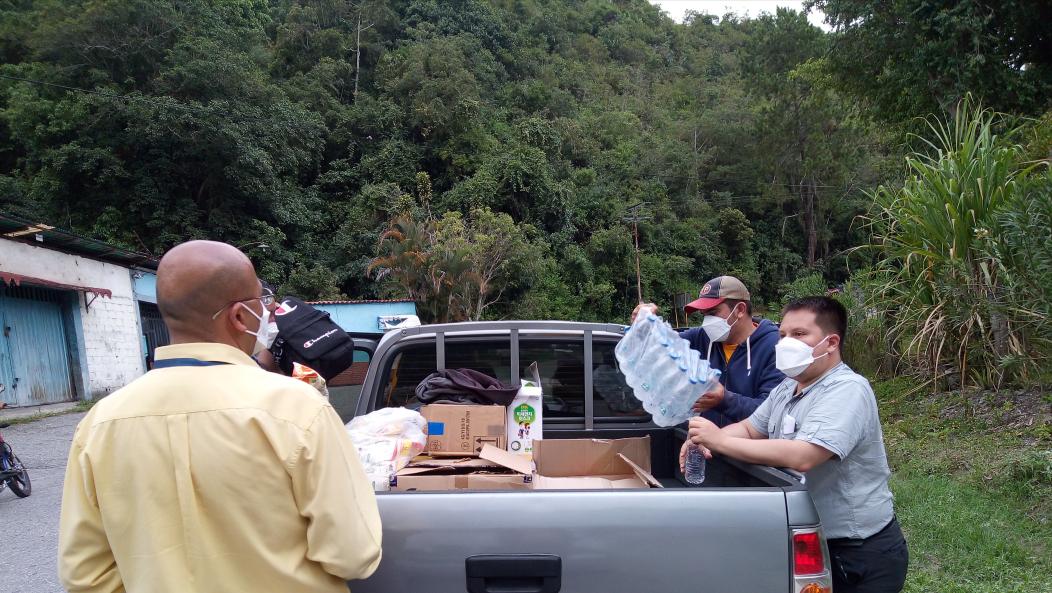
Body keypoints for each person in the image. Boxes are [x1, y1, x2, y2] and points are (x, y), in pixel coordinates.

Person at [58, 240, 382, 593]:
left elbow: (85, 575)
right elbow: (353, 553)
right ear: (239, 316)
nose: (268, 312)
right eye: (263, 301)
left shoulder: (100, 423)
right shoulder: (297, 409)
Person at [683, 296, 908, 593]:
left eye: (800, 334)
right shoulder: (788, 386)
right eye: (783, 335)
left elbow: (804, 455)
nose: (787, 343)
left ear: (831, 343)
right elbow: (750, 429)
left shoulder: (848, 389)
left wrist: (720, 440)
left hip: (857, 550)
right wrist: (704, 439)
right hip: (808, 537)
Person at [633, 275, 783, 426]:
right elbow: (658, 347)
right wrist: (642, 326)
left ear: (740, 310)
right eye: (704, 315)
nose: (707, 322)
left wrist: (725, 400)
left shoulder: (774, 347)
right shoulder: (701, 337)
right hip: (702, 439)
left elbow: (773, 414)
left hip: (745, 442)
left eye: (712, 313)